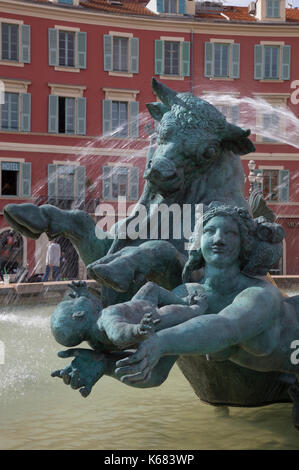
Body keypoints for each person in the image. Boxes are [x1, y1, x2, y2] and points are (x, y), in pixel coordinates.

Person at [51, 204, 299, 428]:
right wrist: (102, 364)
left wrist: (161, 342)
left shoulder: (260, 294)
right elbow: (155, 373)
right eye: (210, 230)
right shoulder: (186, 296)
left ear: (244, 242)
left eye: (230, 233)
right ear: (198, 240)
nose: (219, 239)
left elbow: (225, 327)